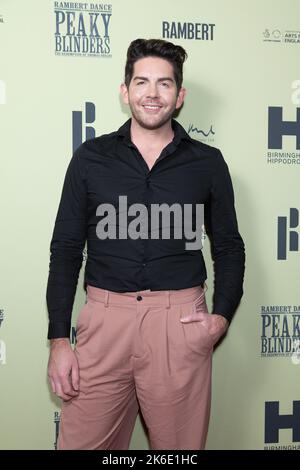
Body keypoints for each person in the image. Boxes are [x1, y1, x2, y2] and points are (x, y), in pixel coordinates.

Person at [46, 38, 245, 450]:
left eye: (164, 84)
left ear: (180, 96)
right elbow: (66, 249)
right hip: (103, 324)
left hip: (179, 325)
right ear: (125, 91)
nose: (152, 93)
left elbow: (228, 247)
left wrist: (220, 319)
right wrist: (59, 340)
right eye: (142, 82)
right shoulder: (90, 158)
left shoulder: (208, 163)